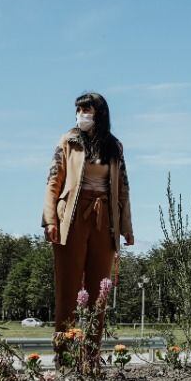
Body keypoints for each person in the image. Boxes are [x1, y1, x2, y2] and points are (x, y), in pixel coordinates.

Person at [42, 92, 133, 341]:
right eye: (79, 110)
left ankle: (91, 356)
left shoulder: (115, 146)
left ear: (100, 114)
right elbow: (53, 181)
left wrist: (127, 227)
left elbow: (123, 188)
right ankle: (64, 355)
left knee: (98, 291)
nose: (82, 115)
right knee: (67, 288)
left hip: (105, 217)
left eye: (87, 110)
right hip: (71, 217)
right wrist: (50, 220)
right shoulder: (68, 140)